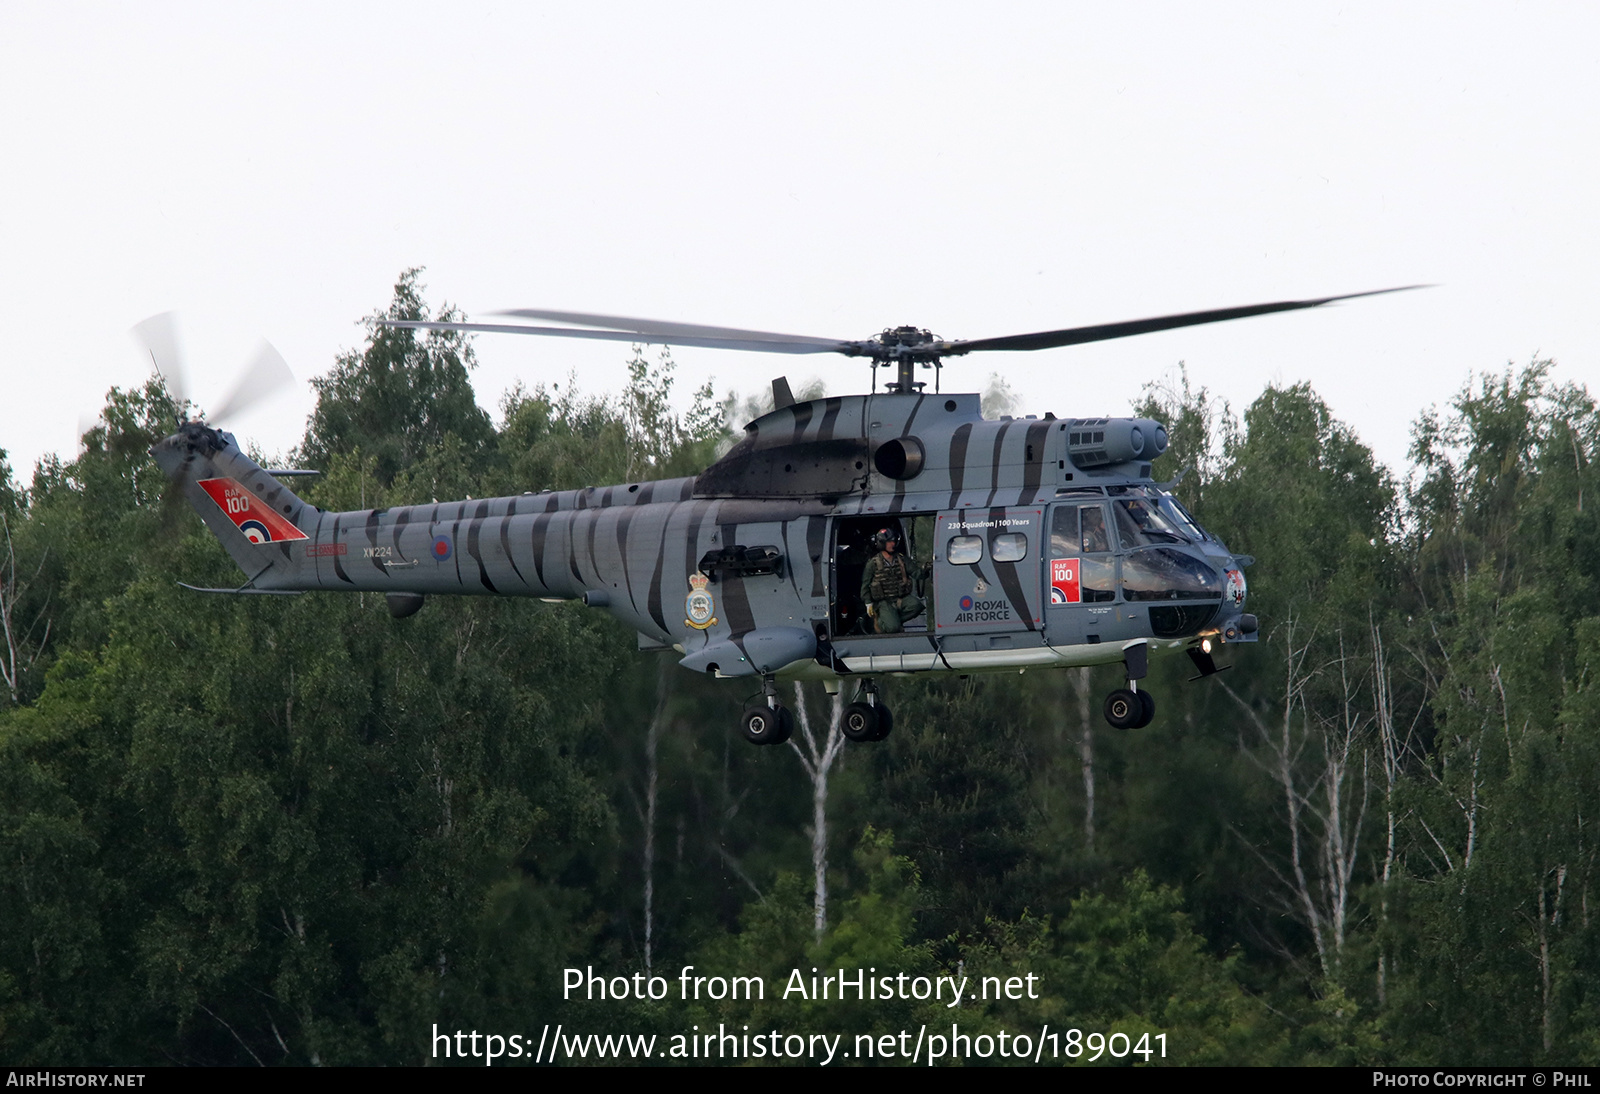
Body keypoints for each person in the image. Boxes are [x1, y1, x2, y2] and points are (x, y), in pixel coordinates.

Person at [860, 527, 924, 634]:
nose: (892, 544)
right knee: (893, 628)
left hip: (900, 598)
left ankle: (892, 620)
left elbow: (916, 573)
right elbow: (865, 585)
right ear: (882, 543)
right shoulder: (873, 563)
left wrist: (926, 569)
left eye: (893, 541)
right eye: (889, 542)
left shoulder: (901, 559)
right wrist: (868, 603)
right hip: (883, 602)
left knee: (917, 606)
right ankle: (881, 622)